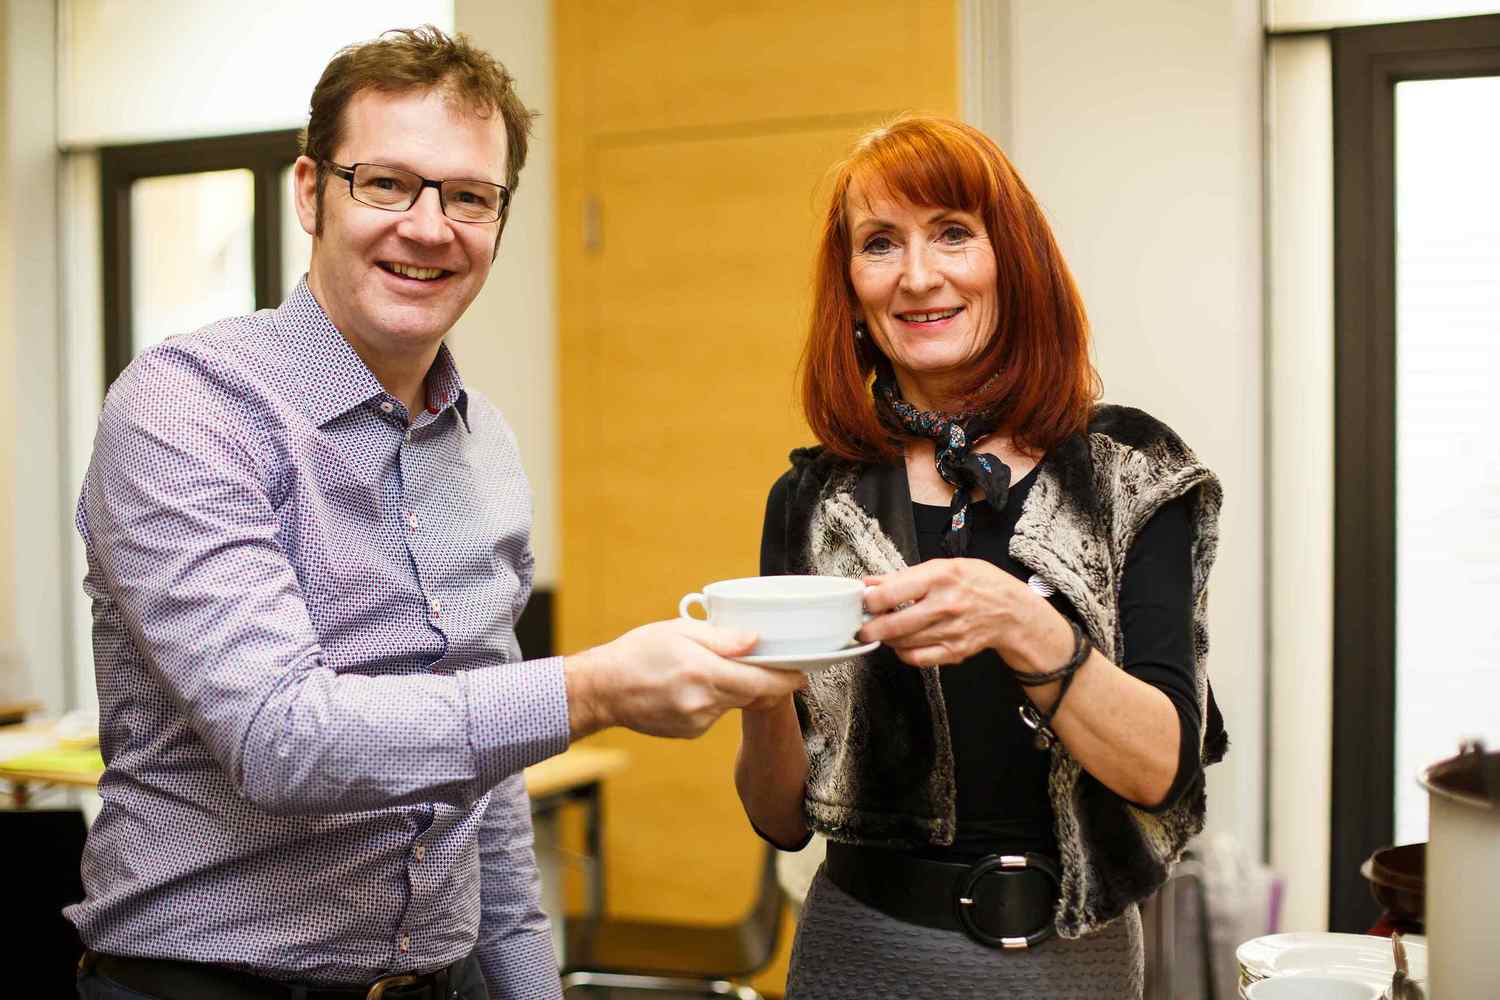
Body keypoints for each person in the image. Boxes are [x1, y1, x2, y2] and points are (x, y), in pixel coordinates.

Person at [68, 26, 803, 1000]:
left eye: (468, 197)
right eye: (386, 184)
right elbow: (282, 739)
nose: (429, 228)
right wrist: (594, 690)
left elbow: (486, 797)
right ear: (309, 193)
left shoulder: (484, 446)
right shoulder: (187, 408)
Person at [735, 115, 1227, 999]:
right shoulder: (812, 499)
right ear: (851, 287)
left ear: (1014, 261)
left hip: (1073, 960)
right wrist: (760, 697)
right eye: (880, 243)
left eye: (953, 233)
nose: (918, 276)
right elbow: (779, 821)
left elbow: (1161, 770)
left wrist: (1023, 624)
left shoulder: (1132, 474)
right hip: (858, 959)